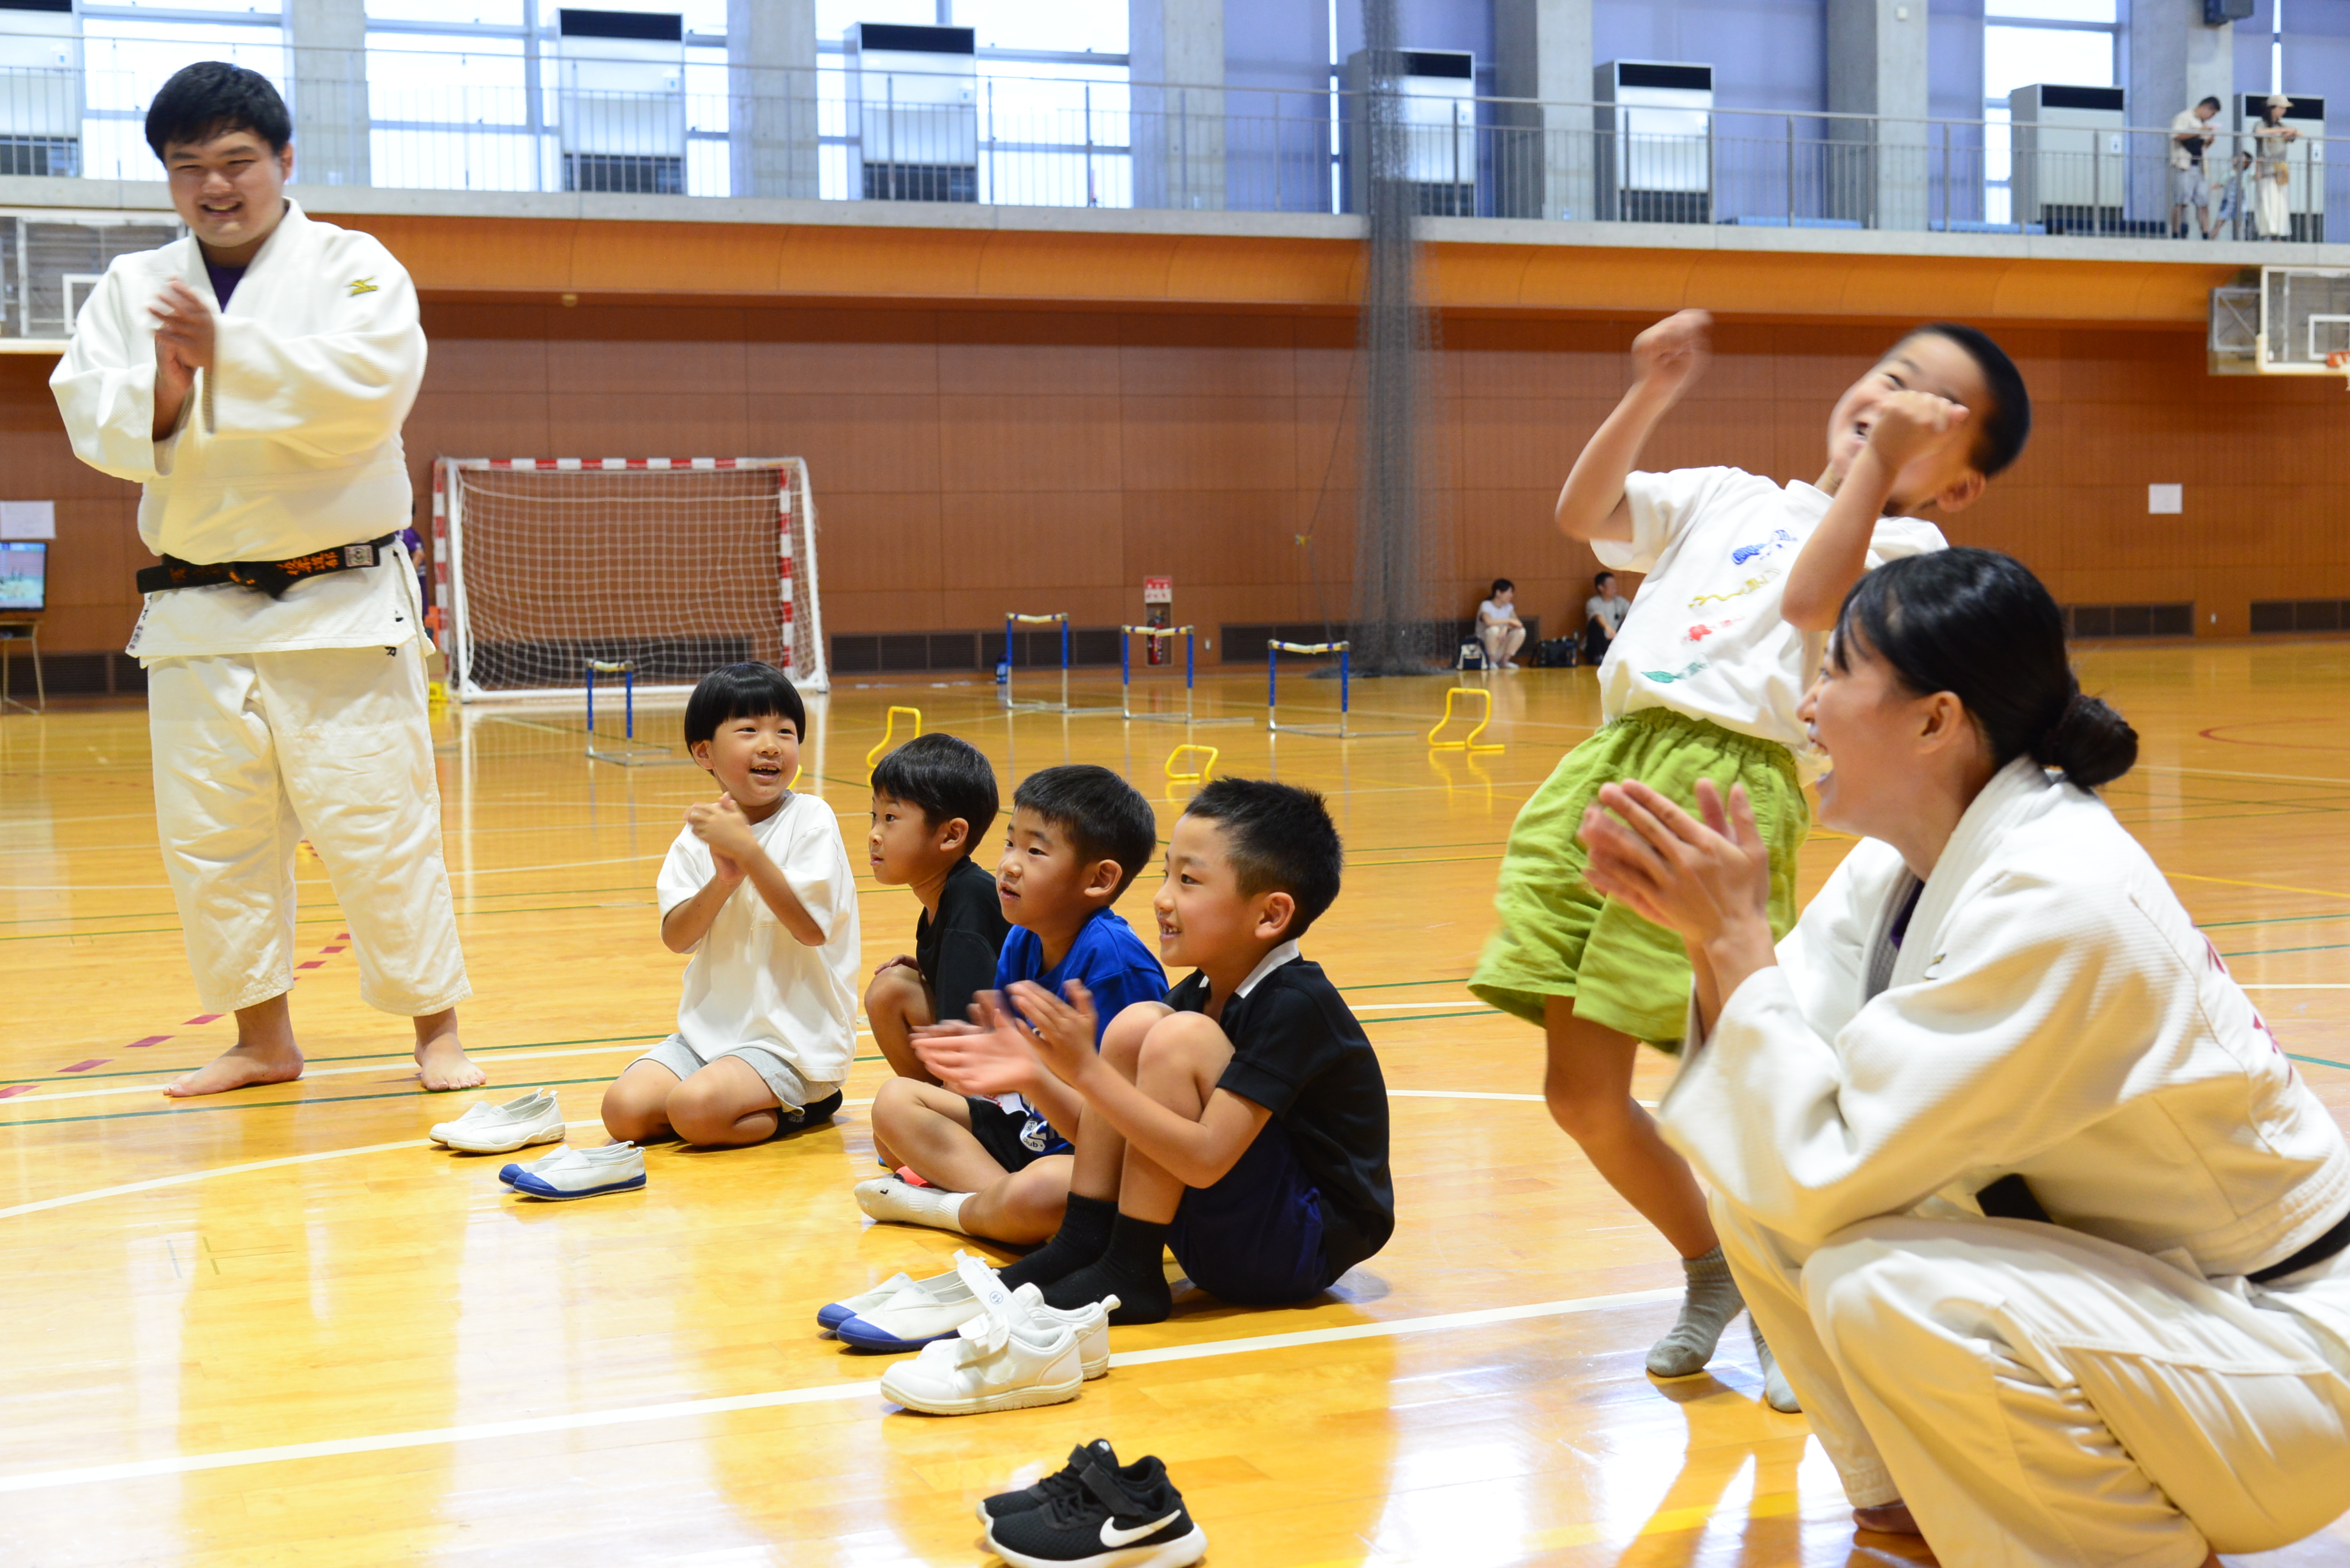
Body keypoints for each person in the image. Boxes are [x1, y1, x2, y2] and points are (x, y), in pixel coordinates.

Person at [1579, 548, 2350, 1568]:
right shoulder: (1902, 867)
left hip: (2286, 1360)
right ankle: (1902, 1512)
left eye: (1835, 672)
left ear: (1935, 720)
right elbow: (1775, 1120)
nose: (1806, 707)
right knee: (1756, 1188)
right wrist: (1706, 936)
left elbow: (1823, 1170)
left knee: (1886, 1284)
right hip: (2168, 1320)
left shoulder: (2062, 893)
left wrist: (1732, 938)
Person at [1469, 308, 2030, 1398]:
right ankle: (1713, 1266)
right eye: (1891, 375)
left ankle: (1789, 1294)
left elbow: (1814, 600)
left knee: (1734, 1076)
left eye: (1932, 407)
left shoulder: (1912, 554)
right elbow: (1584, 513)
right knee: (1580, 1094)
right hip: (1612, 768)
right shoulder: (1728, 493)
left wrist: (1877, 465)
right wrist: (1651, 391)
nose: (1894, 401)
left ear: (1959, 483)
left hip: (1732, 791)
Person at [50, 62, 480, 1097]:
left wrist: (228, 354)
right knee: (215, 843)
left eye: (238, 161)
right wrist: (164, 390)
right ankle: (261, 1040)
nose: (215, 185)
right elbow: (95, 416)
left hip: (341, 603)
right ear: (167, 176)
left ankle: (436, 1034)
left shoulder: (353, 266)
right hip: (196, 610)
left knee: (380, 828)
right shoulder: (134, 287)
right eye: (188, 166)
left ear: (285, 161)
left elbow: (373, 393)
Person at [922, 778, 1393, 1325]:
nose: (1162, 898)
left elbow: (1205, 1159)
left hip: (1295, 1246)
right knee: (1137, 1025)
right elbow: (1111, 1140)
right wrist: (1034, 1075)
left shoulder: (1295, 1004)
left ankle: (1130, 1268)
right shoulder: (1194, 994)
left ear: (1270, 915)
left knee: (1175, 1035)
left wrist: (1087, 1071)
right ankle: (1086, 1243)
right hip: (1221, 1233)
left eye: (1188, 880)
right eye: (1167, 874)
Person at [860, 765, 1167, 1243]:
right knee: (895, 1103)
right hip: (1029, 1128)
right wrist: (979, 1065)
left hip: (1092, 1159)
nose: (1009, 865)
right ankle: (998, 1208)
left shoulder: (1115, 966)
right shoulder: (1023, 937)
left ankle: (955, 1209)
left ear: (1100, 878)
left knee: (1042, 1188)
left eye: (1035, 851)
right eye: (1009, 843)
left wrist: (1029, 1074)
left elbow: (1121, 1136)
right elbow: (1004, 1070)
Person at [599, 663, 857, 1147]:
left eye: (785, 731)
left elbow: (811, 929)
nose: (771, 745)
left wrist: (749, 853)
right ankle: (725, 1100)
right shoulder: (698, 835)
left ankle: (807, 1104)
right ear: (705, 753)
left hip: (793, 1045)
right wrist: (724, 879)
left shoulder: (812, 818)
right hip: (710, 1037)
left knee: (694, 1111)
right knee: (623, 1112)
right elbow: (677, 937)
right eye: (749, 730)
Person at [864, 732, 1011, 1083]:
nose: (874, 834)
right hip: (1003, 1050)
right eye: (874, 816)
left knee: (898, 1108)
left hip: (1033, 1065)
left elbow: (969, 1037)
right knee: (891, 989)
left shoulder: (969, 900)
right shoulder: (945, 898)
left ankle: (948, 1111)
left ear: (951, 835)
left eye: (891, 817)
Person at [2169, 95, 2222, 240]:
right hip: (2184, 165)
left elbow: (2203, 146)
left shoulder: (2202, 123)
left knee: (2203, 202)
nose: (2211, 117)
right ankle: (2175, 233)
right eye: (2212, 114)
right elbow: (2176, 135)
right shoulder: (2184, 117)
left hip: (2200, 166)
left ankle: (2205, 234)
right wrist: (2200, 130)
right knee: (2181, 201)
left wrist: (2210, 139)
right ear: (2207, 108)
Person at [2255, 94, 2300, 241]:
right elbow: (2259, 132)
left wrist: (2291, 133)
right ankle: (2267, 234)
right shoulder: (2262, 124)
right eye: (2281, 108)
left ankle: (2278, 235)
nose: (2283, 111)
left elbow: (2292, 136)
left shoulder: (2282, 126)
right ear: (2272, 108)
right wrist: (2280, 132)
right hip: (2266, 170)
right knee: (2267, 203)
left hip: (2280, 170)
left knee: (2281, 204)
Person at [1476, 578, 1527, 669]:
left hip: (1500, 647)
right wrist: (1509, 620)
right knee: (1493, 630)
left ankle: (1504, 661)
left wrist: (1506, 628)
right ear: (1498, 593)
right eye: (1509, 592)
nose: (1511, 595)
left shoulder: (1509, 607)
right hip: (1484, 649)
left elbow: (1518, 624)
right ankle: (1490, 661)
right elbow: (1489, 622)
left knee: (1521, 631)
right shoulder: (1486, 605)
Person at [1583, 570, 1632, 664]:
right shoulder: (1593, 602)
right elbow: (1598, 616)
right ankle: (1599, 656)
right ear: (1601, 587)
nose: (1615, 587)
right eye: (1611, 585)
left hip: (1614, 640)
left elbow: (1632, 612)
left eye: (1615, 584)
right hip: (1598, 643)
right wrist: (1608, 628)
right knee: (1595, 624)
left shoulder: (1620, 601)